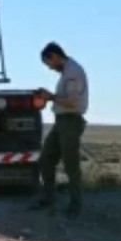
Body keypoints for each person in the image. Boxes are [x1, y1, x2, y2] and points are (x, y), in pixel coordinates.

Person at [31, 42, 89, 219]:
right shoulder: (67, 72)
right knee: (46, 159)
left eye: (48, 63)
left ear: (54, 56)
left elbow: (72, 102)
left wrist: (51, 97)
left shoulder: (73, 72)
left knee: (71, 165)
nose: (49, 68)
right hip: (61, 121)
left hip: (70, 121)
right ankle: (48, 198)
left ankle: (75, 206)